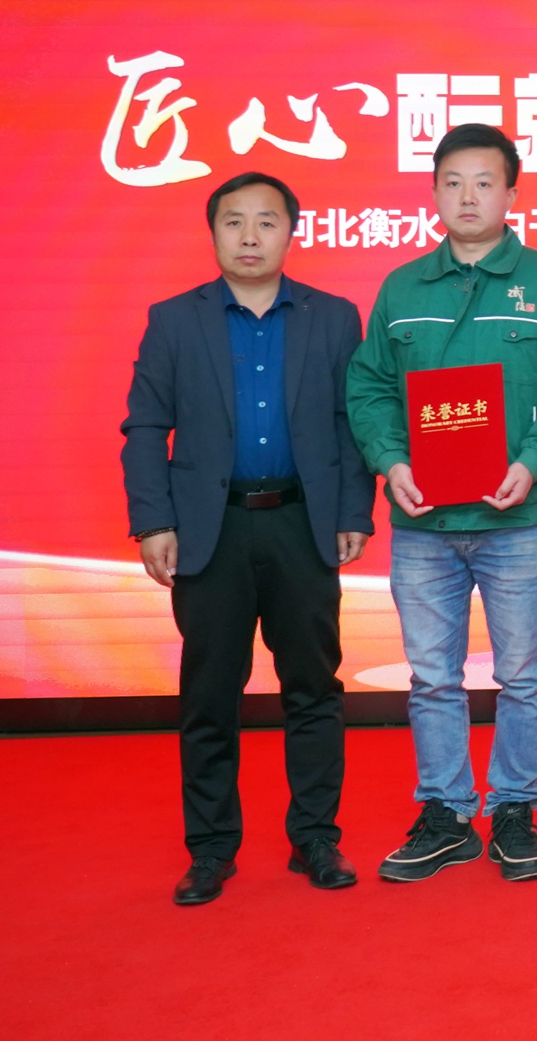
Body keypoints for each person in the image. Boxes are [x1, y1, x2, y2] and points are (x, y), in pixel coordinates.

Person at [120, 172, 375, 905]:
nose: (251, 236)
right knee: (209, 694)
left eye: (267, 221)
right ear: (213, 233)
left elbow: (350, 423)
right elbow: (145, 427)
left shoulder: (334, 317)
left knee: (314, 689)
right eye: (234, 222)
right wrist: (154, 520)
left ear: (292, 231)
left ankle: (316, 838)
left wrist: (353, 512)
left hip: (301, 522)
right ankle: (209, 850)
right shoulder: (175, 320)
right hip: (211, 529)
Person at [346, 124, 537, 883]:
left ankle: (514, 808)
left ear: (512, 193)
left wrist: (532, 462)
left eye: (484, 182)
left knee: (523, 675)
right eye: (453, 182)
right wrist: (391, 461)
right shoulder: (402, 288)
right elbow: (370, 389)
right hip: (424, 524)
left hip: (519, 522)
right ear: (434, 193)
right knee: (432, 678)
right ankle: (447, 814)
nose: (468, 196)